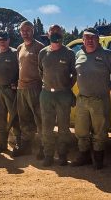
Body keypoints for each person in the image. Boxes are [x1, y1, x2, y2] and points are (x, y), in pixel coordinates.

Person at [73, 28, 111, 169]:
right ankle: (84, 156)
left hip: (99, 99)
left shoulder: (107, 54)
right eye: (87, 37)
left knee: (100, 130)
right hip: (82, 99)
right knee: (81, 130)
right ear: (83, 40)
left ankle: (98, 159)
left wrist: (110, 87)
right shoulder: (78, 54)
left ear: (98, 39)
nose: (90, 40)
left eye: (92, 37)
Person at [38, 25, 76, 167]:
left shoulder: (69, 53)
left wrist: (66, 88)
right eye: (52, 32)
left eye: (58, 32)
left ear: (62, 34)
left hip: (63, 95)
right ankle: (48, 155)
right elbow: (40, 71)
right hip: (46, 94)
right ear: (48, 35)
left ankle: (62, 155)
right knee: (46, 127)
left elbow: (74, 74)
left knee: (63, 128)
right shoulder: (42, 53)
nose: (55, 34)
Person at [14, 21, 44, 158]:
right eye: (23, 30)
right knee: (24, 118)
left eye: (28, 30)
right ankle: (26, 146)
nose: (25, 32)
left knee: (39, 118)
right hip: (21, 88)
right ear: (20, 32)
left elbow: (45, 69)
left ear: (33, 31)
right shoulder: (20, 47)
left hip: (35, 88)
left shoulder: (40, 47)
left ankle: (44, 147)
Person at [0, 31, 21, 153]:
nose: (2, 42)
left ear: (9, 40)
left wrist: (17, 83)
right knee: (0, 118)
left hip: (10, 91)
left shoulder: (15, 53)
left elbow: (21, 70)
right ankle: (2, 144)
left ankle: (19, 143)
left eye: (4, 39)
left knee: (14, 117)